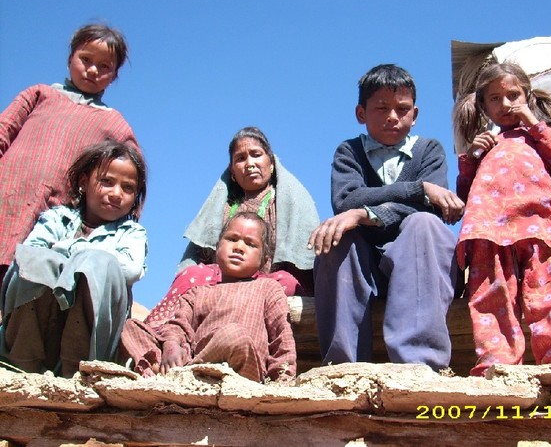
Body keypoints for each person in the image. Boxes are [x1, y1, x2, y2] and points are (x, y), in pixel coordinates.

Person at [309, 64, 464, 371]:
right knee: (339, 235)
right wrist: (418, 189)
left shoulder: (429, 150)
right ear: (361, 113)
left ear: (414, 115)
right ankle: (344, 367)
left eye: (402, 109)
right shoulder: (349, 152)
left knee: (423, 224)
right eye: (381, 108)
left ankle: (421, 364)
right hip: (366, 272)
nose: (392, 116)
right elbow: (346, 200)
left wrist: (365, 214)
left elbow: (433, 210)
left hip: (421, 272)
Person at [454, 62, 551, 376]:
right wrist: (471, 156)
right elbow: (466, 192)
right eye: (495, 98)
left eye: (513, 95)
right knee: (491, 293)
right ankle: (496, 362)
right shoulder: (486, 144)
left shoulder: (539, 136)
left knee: (544, 292)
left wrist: (533, 123)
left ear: (527, 96)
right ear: (484, 106)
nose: (505, 104)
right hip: (488, 227)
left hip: (536, 223)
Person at [0, 24, 138, 285]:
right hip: (7, 199)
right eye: (86, 59)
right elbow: (3, 131)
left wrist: (116, 231)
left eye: (104, 66)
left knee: (27, 286)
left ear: (114, 76)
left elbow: (133, 178)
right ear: (70, 59)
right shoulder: (40, 95)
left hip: (54, 224)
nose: (93, 70)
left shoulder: (115, 125)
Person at [143, 127, 318, 329]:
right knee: (191, 275)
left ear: (271, 163)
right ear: (232, 171)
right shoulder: (222, 206)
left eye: (256, 155)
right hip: (219, 279)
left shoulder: (290, 204)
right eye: (240, 158)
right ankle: (159, 331)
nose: (249, 163)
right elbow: (196, 256)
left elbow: (302, 261)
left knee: (288, 283)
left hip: (263, 281)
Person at [0, 140, 148, 377]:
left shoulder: (131, 233)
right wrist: (68, 260)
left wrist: (74, 253)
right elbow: (30, 254)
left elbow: (130, 269)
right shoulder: (57, 219)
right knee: (36, 261)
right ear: (83, 183)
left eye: (128, 188)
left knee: (99, 265)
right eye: (107, 182)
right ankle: (24, 361)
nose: (116, 194)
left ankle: (76, 369)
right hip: (46, 329)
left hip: (92, 346)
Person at [120, 212, 296, 383]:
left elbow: (282, 336)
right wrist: (172, 345)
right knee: (131, 327)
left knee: (234, 335)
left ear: (264, 260)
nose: (239, 247)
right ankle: (178, 373)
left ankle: (181, 375)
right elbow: (178, 326)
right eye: (232, 239)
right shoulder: (197, 292)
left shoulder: (268, 288)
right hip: (197, 359)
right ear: (217, 247)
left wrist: (283, 378)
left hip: (243, 368)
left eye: (250, 244)